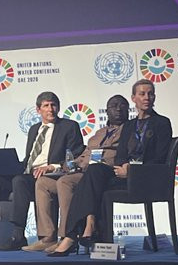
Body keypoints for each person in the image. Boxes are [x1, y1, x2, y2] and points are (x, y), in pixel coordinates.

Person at [48, 80, 173, 257]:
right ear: (134, 98)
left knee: (92, 182)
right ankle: (84, 226)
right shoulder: (129, 126)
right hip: (123, 174)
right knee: (95, 170)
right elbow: (120, 155)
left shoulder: (162, 123)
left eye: (150, 94)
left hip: (145, 177)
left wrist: (132, 170)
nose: (147, 97)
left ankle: (76, 233)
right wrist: (123, 166)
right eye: (142, 94)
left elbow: (159, 158)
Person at [0, 91, 85, 252]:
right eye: (46, 106)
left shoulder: (69, 126)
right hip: (28, 173)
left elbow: (75, 155)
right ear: (38, 110)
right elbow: (30, 159)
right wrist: (8, 166)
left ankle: (18, 235)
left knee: (19, 181)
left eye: (53, 105)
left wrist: (52, 166)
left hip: (49, 176)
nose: (51, 109)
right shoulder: (34, 129)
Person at [33, 95, 127, 249]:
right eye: (113, 106)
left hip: (103, 172)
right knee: (44, 183)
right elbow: (84, 154)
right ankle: (47, 237)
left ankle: (67, 235)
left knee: (65, 182)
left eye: (122, 106)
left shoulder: (129, 130)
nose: (118, 109)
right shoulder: (100, 133)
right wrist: (67, 166)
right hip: (82, 169)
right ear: (106, 111)